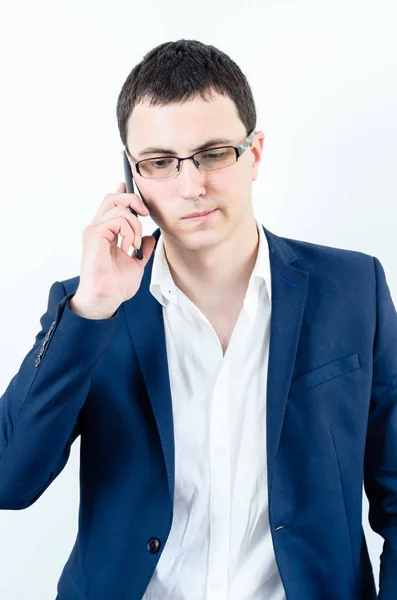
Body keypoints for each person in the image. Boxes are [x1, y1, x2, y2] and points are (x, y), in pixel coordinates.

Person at [0, 39, 395, 600]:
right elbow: (9, 480)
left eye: (213, 153)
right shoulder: (92, 306)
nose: (192, 186)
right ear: (132, 175)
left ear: (255, 153)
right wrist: (90, 311)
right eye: (160, 163)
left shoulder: (352, 289)